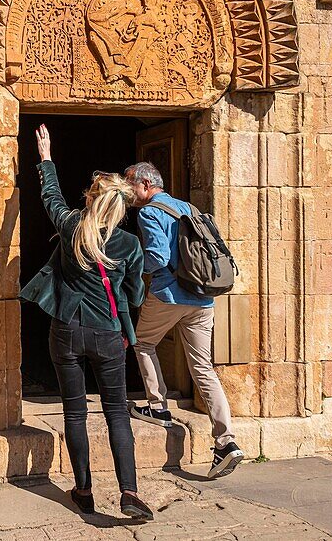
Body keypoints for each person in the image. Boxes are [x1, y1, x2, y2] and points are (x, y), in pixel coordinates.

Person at [21, 125, 154, 521]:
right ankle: (129, 493)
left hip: (66, 330)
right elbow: (134, 295)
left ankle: (83, 490)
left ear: (93, 201)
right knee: (116, 412)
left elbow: (51, 198)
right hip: (108, 334)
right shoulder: (129, 245)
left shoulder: (73, 228)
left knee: (74, 413)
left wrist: (46, 158)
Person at [124, 161, 245, 479]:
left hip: (169, 295)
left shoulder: (150, 212)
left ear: (146, 185)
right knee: (203, 368)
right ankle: (226, 441)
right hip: (203, 298)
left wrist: (130, 264)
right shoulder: (188, 208)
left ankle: (157, 404)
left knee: (143, 342)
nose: (128, 193)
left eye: (130, 185)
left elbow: (158, 258)